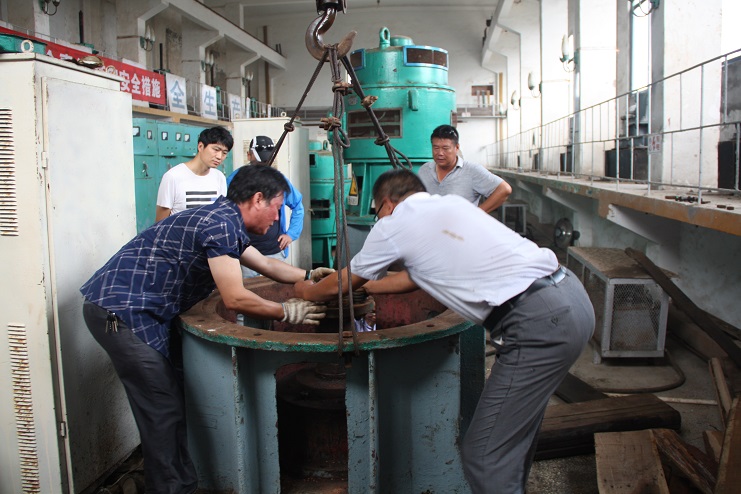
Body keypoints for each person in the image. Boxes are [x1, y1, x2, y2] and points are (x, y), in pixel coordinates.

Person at [295, 169, 595, 494]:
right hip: (570, 299)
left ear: (386, 204)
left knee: (484, 457)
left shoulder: (392, 224)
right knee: (511, 444)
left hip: (538, 324)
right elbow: (412, 278)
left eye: (377, 212)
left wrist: (306, 289)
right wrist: (365, 287)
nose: (378, 219)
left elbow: (343, 282)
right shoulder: (451, 206)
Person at [80, 164, 332, 494]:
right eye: (276, 207)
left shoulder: (224, 220)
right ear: (258, 199)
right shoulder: (220, 224)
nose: (276, 218)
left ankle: (173, 478)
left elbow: (266, 264)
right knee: (161, 407)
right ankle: (172, 488)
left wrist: (308, 275)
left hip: (141, 311)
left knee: (170, 398)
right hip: (120, 312)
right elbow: (235, 297)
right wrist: (286, 311)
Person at [226, 135, 304, 278]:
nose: (263, 165)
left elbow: (297, 205)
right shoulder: (236, 180)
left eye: (267, 160)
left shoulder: (278, 180)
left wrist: (291, 234)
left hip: (274, 251)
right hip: (246, 254)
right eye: (259, 161)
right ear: (249, 155)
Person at [417, 124, 512, 214]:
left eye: (445, 148)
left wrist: (476, 214)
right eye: (436, 148)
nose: (440, 153)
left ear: (456, 147)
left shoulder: (472, 170)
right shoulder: (425, 169)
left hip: (460, 226)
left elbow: (504, 189)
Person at [155, 126, 231, 222]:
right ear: (200, 146)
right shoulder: (173, 177)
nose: (219, 156)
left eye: (224, 153)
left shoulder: (219, 177)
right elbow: (160, 223)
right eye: (216, 149)